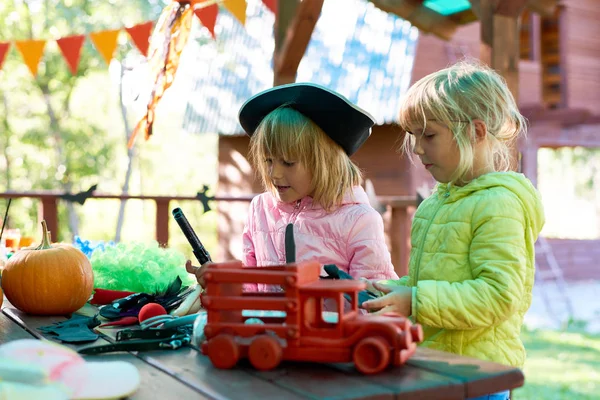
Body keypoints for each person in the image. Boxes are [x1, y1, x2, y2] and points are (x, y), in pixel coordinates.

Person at [361, 61, 544, 399]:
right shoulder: (434, 204)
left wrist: (414, 300)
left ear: (476, 131)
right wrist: (388, 291)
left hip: (476, 377)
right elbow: (434, 282)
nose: (417, 148)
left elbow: (498, 296)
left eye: (428, 135)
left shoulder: (499, 204)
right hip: (436, 369)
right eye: (414, 136)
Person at [187, 83, 398, 294]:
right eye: (268, 160)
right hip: (264, 326)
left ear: (324, 161)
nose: (274, 174)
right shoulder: (260, 209)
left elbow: (371, 301)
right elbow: (250, 286)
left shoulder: (360, 221)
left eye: (288, 163)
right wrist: (221, 283)